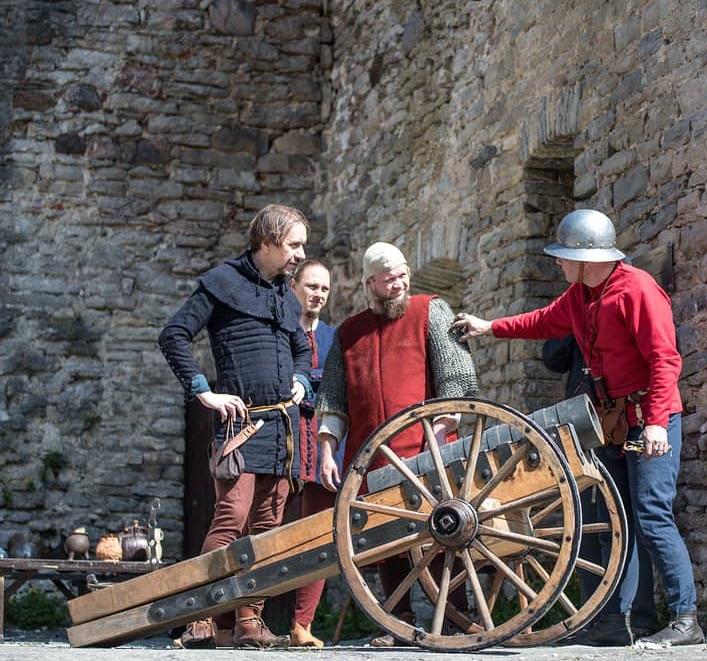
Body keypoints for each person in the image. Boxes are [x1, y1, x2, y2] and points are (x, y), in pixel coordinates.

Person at [452, 209, 703, 648]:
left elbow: (665, 359)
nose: (558, 263)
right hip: (612, 424)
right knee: (616, 520)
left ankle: (686, 619)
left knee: (652, 516)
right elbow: (543, 322)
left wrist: (659, 423)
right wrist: (490, 327)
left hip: (649, 421)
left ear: (587, 258)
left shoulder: (639, 290)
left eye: (564, 257)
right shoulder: (580, 296)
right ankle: (613, 621)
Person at [158, 204, 312, 649]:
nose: (300, 254)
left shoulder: (285, 293)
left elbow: (301, 349)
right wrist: (203, 390)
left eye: (303, 245)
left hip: (281, 430)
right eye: (294, 245)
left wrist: (301, 380)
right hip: (241, 426)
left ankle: (248, 621)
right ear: (266, 242)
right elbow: (173, 335)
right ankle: (202, 618)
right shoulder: (222, 283)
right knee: (231, 518)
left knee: (266, 528)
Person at [315, 242, 479, 647]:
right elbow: (334, 398)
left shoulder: (430, 311)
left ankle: (457, 618)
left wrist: (440, 434)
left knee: (446, 533)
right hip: (369, 458)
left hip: (429, 452)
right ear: (369, 283)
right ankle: (397, 620)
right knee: (383, 541)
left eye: (403, 275)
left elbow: (455, 379)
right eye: (389, 279)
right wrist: (324, 449)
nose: (399, 284)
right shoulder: (349, 333)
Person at [542, 335, 659, 645]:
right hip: (588, 429)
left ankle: (640, 616)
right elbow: (552, 357)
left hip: (633, 430)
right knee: (591, 523)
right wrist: (572, 329)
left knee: (637, 516)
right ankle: (597, 616)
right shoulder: (577, 315)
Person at [286, 259, 337, 647]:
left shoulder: (335, 339)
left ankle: (302, 625)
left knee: (317, 539)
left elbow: (340, 395)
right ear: (294, 287)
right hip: (282, 447)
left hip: (321, 452)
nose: (317, 293)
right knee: (263, 532)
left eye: (323, 288)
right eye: (311, 286)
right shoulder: (279, 333)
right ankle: (240, 619)